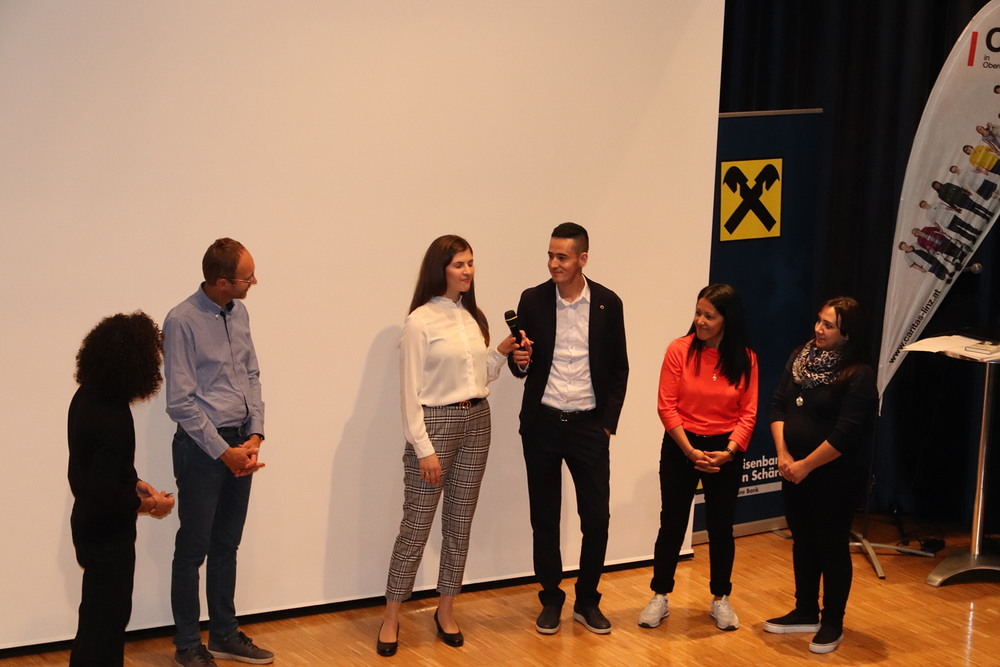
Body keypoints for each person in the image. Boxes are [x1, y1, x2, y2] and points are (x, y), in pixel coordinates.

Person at [377, 235, 521, 657]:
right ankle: (391, 617)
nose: (468, 271)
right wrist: (423, 448)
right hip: (435, 425)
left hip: (477, 420)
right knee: (416, 527)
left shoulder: (473, 317)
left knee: (460, 523)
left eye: (471, 263)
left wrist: (500, 353)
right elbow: (409, 392)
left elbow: (477, 375)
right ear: (440, 269)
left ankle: (445, 609)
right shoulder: (419, 321)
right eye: (459, 264)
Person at [508, 222, 628, 635]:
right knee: (544, 518)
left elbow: (619, 368)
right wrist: (520, 361)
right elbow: (521, 365)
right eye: (550, 255)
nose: (553, 264)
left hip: (588, 427)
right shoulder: (533, 299)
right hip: (542, 423)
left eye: (562, 257)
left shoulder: (608, 303)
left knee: (596, 519)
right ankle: (551, 597)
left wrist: (607, 424)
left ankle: (587, 600)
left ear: (582, 259)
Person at [164, 238, 272, 666]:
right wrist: (222, 451)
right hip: (201, 450)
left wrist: (255, 434)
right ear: (222, 281)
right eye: (247, 278)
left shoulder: (239, 312)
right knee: (193, 550)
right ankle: (188, 644)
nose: (254, 283)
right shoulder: (182, 321)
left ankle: (225, 634)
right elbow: (180, 402)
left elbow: (252, 374)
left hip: (241, 443)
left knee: (227, 545)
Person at [638, 284, 758, 633]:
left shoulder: (746, 358)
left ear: (727, 319)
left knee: (721, 527)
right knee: (672, 523)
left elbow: (748, 413)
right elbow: (666, 406)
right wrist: (690, 450)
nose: (700, 321)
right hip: (682, 444)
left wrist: (729, 452)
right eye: (698, 313)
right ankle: (660, 594)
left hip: (725, 450)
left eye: (709, 316)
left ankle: (721, 597)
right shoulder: (679, 350)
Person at [764, 297, 877, 654]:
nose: (818, 328)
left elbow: (846, 433)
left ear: (848, 333)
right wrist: (784, 455)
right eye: (819, 321)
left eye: (828, 325)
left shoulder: (859, 374)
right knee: (803, 540)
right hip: (794, 469)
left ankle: (832, 622)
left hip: (835, 476)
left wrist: (806, 465)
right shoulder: (800, 357)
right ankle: (805, 610)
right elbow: (778, 405)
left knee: (831, 545)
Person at [68, 311, 175, 666]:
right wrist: (150, 505)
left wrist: (136, 483)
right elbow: (103, 494)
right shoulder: (111, 416)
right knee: (107, 622)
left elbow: (93, 469)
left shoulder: (86, 396)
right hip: (106, 533)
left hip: (88, 524)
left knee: (97, 618)